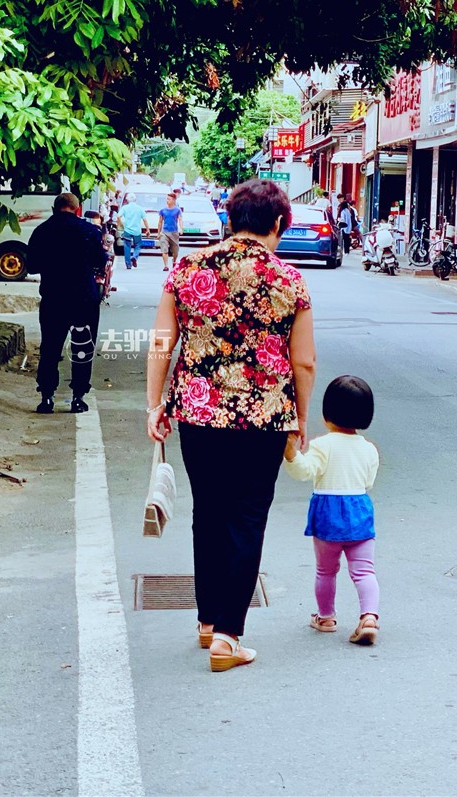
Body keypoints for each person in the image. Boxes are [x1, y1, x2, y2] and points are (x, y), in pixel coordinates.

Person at [145, 180, 315, 673]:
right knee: (247, 517)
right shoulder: (289, 280)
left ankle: (206, 620)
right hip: (264, 417)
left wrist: (154, 404)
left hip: (198, 413)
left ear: (229, 218)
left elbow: (161, 341)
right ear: (280, 224)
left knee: (209, 511)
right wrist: (299, 419)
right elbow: (303, 363)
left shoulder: (187, 268)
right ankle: (228, 636)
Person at [284, 375, 381, 646]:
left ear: (328, 413)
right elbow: (368, 482)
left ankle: (326, 617)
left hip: (328, 512)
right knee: (364, 571)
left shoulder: (322, 445)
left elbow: (304, 472)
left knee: (326, 571)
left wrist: (291, 453)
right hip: (359, 510)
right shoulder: (369, 449)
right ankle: (369, 616)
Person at [27, 193, 107, 414]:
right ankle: (78, 398)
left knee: (50, 348)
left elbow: (31, 266)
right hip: (84, 299)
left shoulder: (42, 231)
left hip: (54, 298)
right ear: (78, 209)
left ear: (54, 209)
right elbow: (101, 261)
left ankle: (47, 398)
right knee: (82, 348)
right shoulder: (90, 231)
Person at [159, 191, 184, 271]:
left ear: (173, 200)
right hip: (164, 232)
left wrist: (181, 228)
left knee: (175, 251)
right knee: (164, 250)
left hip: (174, 232)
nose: (167, 201)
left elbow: (180, 219)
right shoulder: (163, 210)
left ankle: (174, 260)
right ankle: (166, 266)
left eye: (169, 199)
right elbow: (160, 222)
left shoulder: (177, 210)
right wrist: (158, 232)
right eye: (167, 199)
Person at [119, 193, 145, 269]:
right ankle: (134, 256)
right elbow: (145, 220)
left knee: (127, 246)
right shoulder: (140, 208)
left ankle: (128, 264)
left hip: (127, 230)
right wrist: (147, 230)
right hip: (137, 231)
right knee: (138, 245)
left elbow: (118, 216)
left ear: (127, 200)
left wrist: (120, 224)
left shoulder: (124, 208)